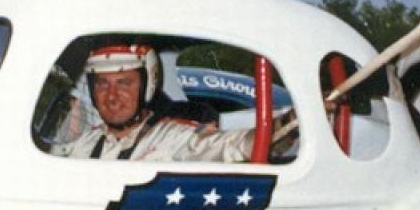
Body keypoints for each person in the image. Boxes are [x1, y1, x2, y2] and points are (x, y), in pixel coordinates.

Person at [54, 44, 282, 162]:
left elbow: (231, 146)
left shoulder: (172, 138)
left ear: (147, 86)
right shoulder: (83, 143)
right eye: (102, 84)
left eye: (124, 83)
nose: (111, 96)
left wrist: (286, 126)